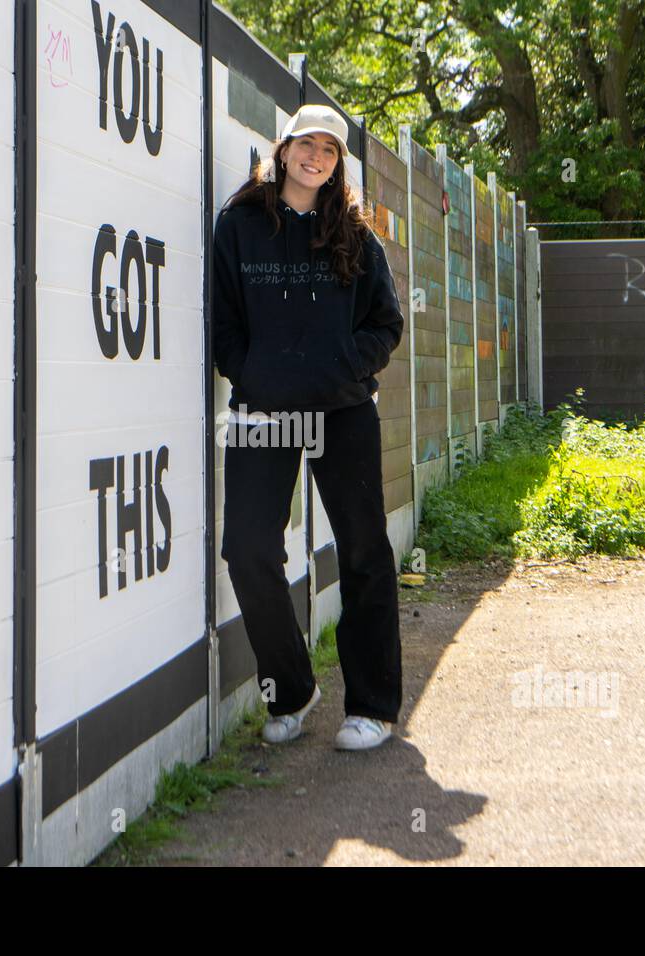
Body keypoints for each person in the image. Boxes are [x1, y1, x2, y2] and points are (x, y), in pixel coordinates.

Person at [212, 104, 405, 751]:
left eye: (329, 149)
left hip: (344, 408)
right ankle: (291, 690)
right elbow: (225, 323)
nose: (315, 157)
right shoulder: (240, 225)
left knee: (363, 549)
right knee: (246, 547)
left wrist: (340, 368)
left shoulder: (354, 231)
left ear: (337, 162)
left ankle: (373, 706)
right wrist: (255, 373)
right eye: (307, 144)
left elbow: (386, 324)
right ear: (286, 146)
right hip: (263, 408)